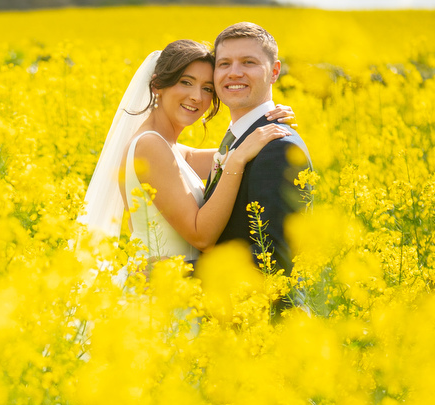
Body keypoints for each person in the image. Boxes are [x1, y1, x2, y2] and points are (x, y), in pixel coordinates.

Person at [80, 40, 294, 265]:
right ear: (157, 86)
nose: (197, 97)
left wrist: (267, 116)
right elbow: (200, 236)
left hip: (178, 288)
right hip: (156, 291)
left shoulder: (171, 149)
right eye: (186, 82)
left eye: (207, 88)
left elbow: (224, 154)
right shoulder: (149, 146)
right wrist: (238, 159)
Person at [203, 21, 312, 273]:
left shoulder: (277, 149)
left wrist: (178, 271)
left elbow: (275, 262)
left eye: (248, 62)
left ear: (274, 72)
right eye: (224, 64)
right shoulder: (240, 140)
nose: (234, 73)